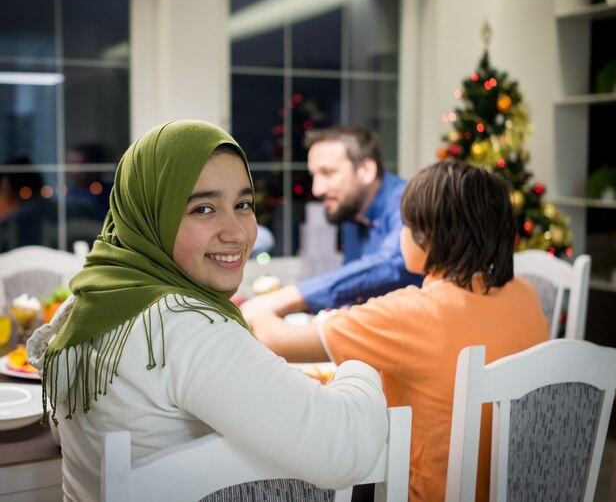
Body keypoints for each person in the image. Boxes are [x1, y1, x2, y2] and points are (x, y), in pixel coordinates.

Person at [26, 120, 387, 502]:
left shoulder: (93, 298)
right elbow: (345, 451)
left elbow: (60, 430)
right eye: (203, 208)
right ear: (153, 212)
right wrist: (358, 366)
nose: (236, 232)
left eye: (243, 205)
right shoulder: (183, 324)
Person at [248, 160, 550, 502]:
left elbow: (275, 341)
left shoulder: (411, 312)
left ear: (428, 234)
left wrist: (258, 306)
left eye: (403, 225)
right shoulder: (525, 294)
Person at [241, 125, 423, 319]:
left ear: (366, 170)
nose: (317, 189)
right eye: (314, 176)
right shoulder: (352, 211)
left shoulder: (409, 202)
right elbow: (356, 290)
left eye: (327, 173)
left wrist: (290, 296)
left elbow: (391, 265)